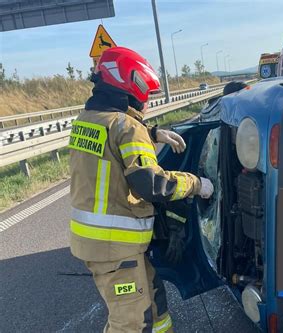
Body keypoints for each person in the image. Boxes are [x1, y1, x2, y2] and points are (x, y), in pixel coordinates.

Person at [68, 47, 214, 333]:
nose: (146, 101)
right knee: (130, 323)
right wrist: (196, 184)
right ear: (130, 83)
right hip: (114, 247)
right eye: (145, 91)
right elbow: (152, 184)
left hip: (103, 244)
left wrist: (152, 133)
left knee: (154, 302)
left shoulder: (87, 119)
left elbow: (111, 142)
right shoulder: (126, 127)